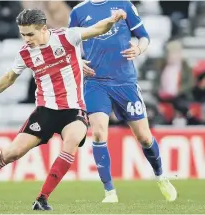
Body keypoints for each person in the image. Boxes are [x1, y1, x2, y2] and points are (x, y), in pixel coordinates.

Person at [0, 8, 127, 211]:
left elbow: (97, 29)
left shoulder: (67, 37)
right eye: (22, 34)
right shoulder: (25, 53)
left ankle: (41, 199)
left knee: (71, 142)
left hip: (73, 111)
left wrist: (112, 19)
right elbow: (9, 78)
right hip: (45, 111)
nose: (26, 39)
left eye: (30, 34)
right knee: (11, 153)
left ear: (43, 29)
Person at [69, 0, 177, 203]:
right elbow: (69, 43)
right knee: (99, 132)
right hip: (95, 82)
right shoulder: (78, 11)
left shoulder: (124, 5)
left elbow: (143, 36)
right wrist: (77, 60)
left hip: (124, 82)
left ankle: (161, 176)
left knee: (144, 137)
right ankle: (110, 192)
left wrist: (139, 49)